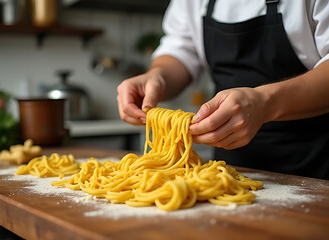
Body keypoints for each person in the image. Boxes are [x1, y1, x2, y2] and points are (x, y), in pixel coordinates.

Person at [116, 0, 329, 179]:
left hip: (315, 164)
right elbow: (181, 48)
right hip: (228, 170)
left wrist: (264, 102)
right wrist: (158, 76)